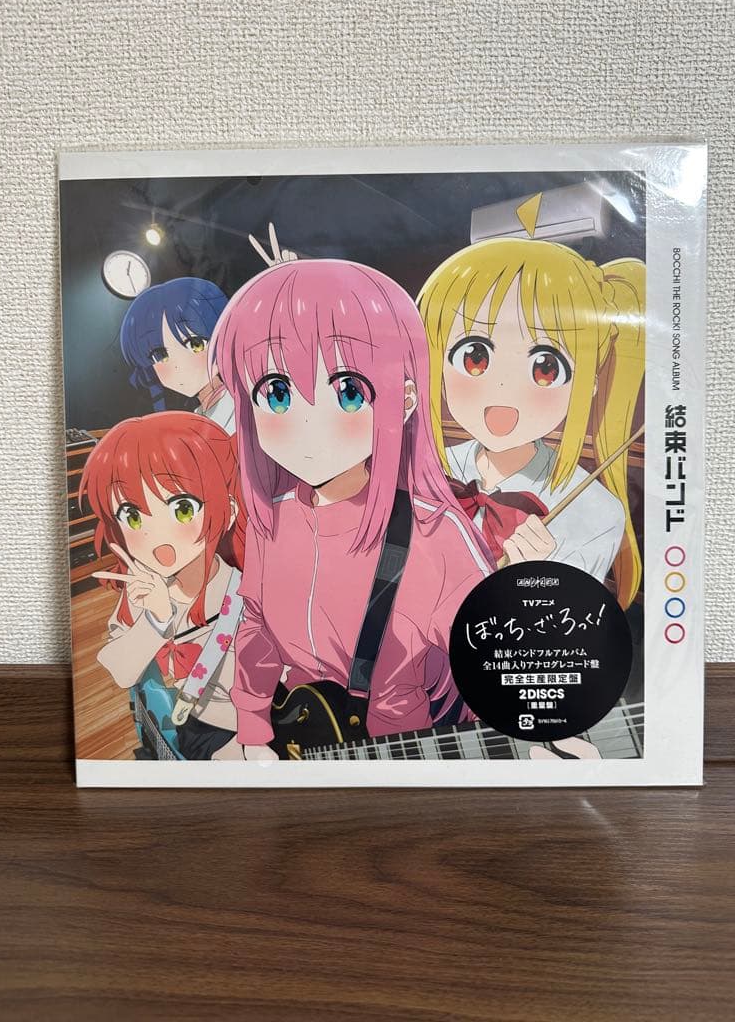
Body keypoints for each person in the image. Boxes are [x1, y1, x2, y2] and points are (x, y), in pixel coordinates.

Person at [210, 258, 494, 760]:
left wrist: (545, 732)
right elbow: (256, 628)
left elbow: (495, 659)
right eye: (277, 394)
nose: (307, 426)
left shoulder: (435, 534)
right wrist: (252, 728)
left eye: (348, 392)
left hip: (403, 758)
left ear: (405, 400)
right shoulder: (273, 521)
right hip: (298, 738)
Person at [417, 238, 645, 610]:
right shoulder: (426, 471)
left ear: (588, 385)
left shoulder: (595, 510)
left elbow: (567, 629)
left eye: (545, 367)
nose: (503, 389)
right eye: (474, 357)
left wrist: (535, 585)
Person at [80, 412, 246, 759]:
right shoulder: (141, 590)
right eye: (131, 516)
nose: (154, 536)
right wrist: (155, 619)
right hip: (189, 723)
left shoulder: (244, 592)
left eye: (182, 509)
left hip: (243, 726)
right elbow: (120, 671)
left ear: (228, 511)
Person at [119, 277, 235, 432]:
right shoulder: (199, 417)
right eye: (160, 356)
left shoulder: (242, 407)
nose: (179, 367)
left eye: (196, 344)